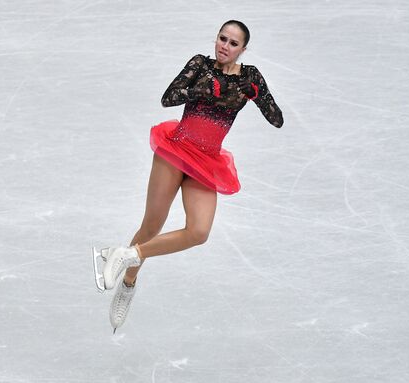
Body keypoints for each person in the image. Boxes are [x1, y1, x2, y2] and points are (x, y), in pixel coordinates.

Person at [99, 20, 284, 333]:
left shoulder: (250, 77)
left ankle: (127, 255)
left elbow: (276, 119)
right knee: (152, 225)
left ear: (243, 49)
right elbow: (168, 98)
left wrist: (258, 95)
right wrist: (201, 89)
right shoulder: (200, 64)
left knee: (199, 232)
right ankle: (128, 284)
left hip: (207, 161)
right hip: (176, 151)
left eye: (233, 43)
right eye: (222, 38)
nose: (224, 46)